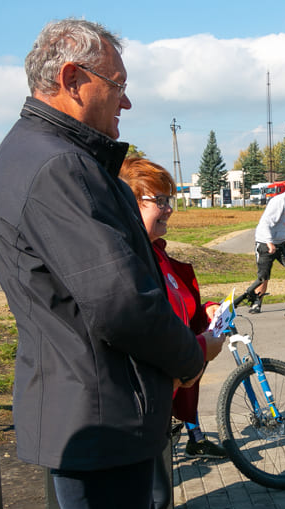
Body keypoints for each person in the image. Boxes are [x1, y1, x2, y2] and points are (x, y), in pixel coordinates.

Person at [0, 19, 215, 509]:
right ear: (72, 78)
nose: (127, 100)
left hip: (80, 405)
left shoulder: (32, 153)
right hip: (101, 413)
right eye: (117, 82)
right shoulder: (62, 165)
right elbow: (121, 303)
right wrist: (190, 357)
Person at [120, 155, 228, 459]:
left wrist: (205, 310)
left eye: (169, 199)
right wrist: (198, 349)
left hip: (164, 402)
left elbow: (180, 309)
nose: (169, 209)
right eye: (160, 200)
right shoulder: (130, 263)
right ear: (131, 203)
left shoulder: (160, 255)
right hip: (142, 408)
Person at [240, 174, 285, 314]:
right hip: (265, 242)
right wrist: (269, 243)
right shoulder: (279, 202)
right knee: (264, 275)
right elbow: (265, 224)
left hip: (283, 243)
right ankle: (256, 302)